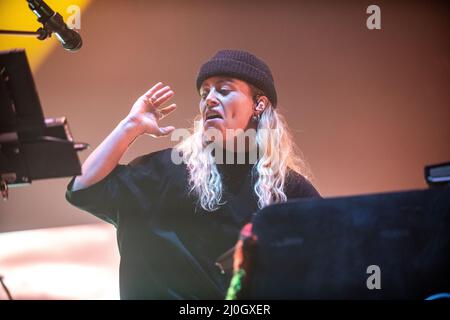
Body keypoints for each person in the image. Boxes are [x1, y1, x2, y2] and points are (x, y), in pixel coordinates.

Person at [66, 49, 321, 299]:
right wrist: (130, 126)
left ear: (259, 104)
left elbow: (330, 258)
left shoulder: (287, 190)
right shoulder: (164, 171)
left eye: (223, 90)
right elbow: (83, 189)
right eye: (204, 92)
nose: (209, 99)